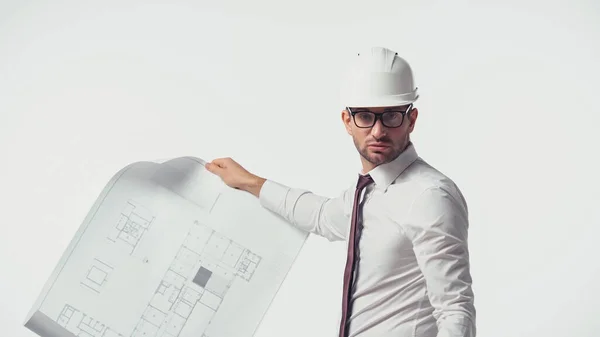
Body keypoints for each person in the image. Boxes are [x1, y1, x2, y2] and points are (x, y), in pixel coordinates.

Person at [205, 46, 476, 337]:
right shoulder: (368, 192)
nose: (377, 131)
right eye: (365, 116)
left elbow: (455, 310)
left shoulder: (429, 196)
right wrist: (250, 182)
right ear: (348, 122)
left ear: (411, 119)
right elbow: (323, 215)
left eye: (392, 116)